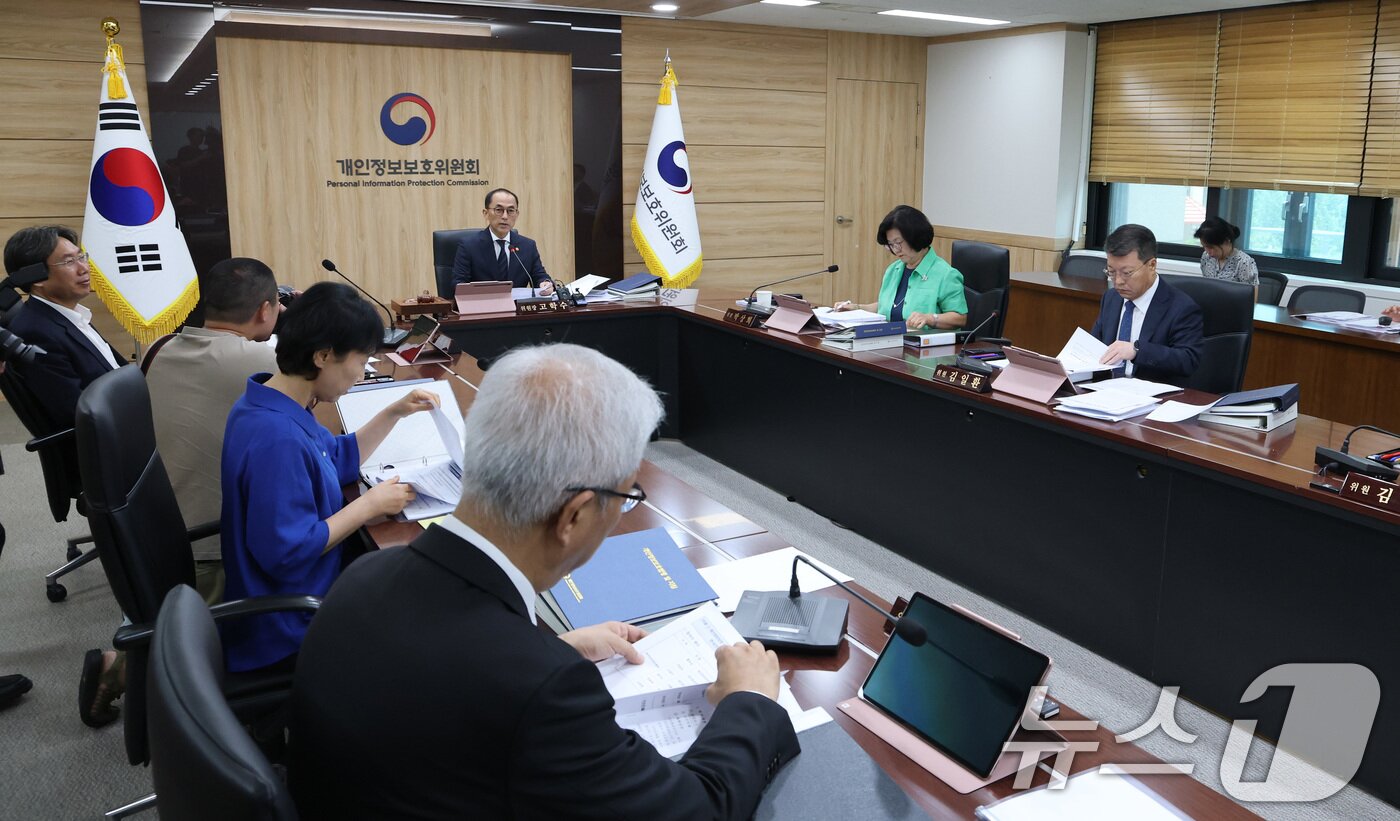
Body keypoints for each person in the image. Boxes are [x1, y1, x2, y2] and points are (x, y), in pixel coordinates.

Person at [289, 344, 799, 820]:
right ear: (574, 516)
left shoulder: (367, 574)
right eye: (626, 497)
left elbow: (449, 676)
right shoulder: (541, 691)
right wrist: (746, 703)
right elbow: (699, 808)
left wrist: (548, 646)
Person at [220, 282, 437, 674]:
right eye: (361, 359)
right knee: (423, 608)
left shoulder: (273, 400)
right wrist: (368, 505)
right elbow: (287, 553)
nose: (360, 372)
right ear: (323, 356)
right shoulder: (277, 440)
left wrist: (394, 412)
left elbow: (337, 459)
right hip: (290, 621)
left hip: (309, 586)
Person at [145, 257, 284, 606]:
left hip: (156, 526)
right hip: (214, 545)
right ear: (264, 310)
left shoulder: (156, 349)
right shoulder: (261, 361)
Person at [2, 225, 124, 429]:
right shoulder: (36, 332)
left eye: (81, 257)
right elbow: (78, 414)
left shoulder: (70, 315)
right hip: (112, 444)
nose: (84, 268)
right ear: (36, 277)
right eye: (69, 261)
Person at [1090, 224, 1204, 386]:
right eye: (1111, 272)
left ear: (1152, 265)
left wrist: (1137, 351)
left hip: (1153, 400)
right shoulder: (1111, 298)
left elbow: (1188, 360)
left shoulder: (1181, 307)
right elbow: (1094, 345)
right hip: (1105, 391)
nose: (1118, 281)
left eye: (1127, 273)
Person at [833, 205, 966, 331]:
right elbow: (888, 306)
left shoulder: (945, 274)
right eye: (890, 244)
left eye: (898, 243)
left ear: (915, 237)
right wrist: (856, 308)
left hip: (925, 347)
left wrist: (930, 318)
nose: (896, 250)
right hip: (891, 341)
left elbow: (960, 318)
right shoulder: (894, 269)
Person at [451, 187, 555, 295]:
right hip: (482, 307)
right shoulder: (469, 246)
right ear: (486, 213)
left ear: (517, 214)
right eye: (499, 210)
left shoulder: (528, 246)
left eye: (510, 211)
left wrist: (545, 283)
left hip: (517, 309)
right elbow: (458, 284)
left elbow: (540, 276)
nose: (505, 216)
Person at [1195, 217, 1258, 286]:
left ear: (1227, 240)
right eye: (1204, 247)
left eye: (1211, 247)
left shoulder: (1244, 262)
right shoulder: (1206, 257)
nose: (1208, 252)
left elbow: (1251, 294)